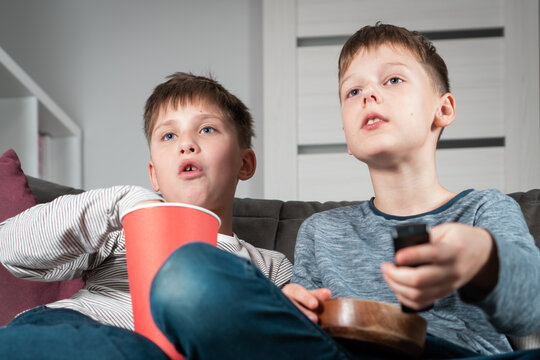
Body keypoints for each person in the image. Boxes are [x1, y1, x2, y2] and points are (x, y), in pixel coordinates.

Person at [149, 24, 540, 359]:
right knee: (184, 275)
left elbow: (532, 311)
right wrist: (290, 309)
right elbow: (305, 327)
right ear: (348, 138)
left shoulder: (484, 208)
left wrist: (483, 260)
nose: (369, 95)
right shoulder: (321, 231)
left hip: (453, 354)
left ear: (444, 108)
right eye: (353, 92)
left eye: (393, 80)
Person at [0, 72, 292, 359]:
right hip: (71, 329)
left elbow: (290, 338)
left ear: (245, 162)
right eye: (168, 135)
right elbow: (10, 248)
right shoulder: (121, 229)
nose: (186, 144)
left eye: (206, 129)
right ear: (154, 176)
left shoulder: (269, 266)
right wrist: (124, 203)